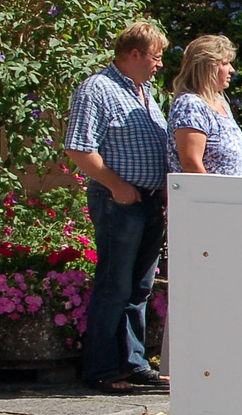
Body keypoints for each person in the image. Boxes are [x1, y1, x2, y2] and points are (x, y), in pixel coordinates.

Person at [63, 22, 171, 393]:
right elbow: (78, 146)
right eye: (155, 57)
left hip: (147, 200)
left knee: (139, 286)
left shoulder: (144, 92)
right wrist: (117, 186)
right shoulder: (99, 88)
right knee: (114, 285)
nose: (159, 64)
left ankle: (134, 363)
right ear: (134, 54)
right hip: (119, 200)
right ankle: (102, 369)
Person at [167, 35, 242, 177]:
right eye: (225, 63)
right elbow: (191, 163)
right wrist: (210, 196)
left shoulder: (220, 103)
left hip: (231, 197)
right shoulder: (190, 105)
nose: (232, 70)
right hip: (208, 197)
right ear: (206, 67)